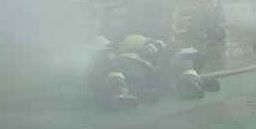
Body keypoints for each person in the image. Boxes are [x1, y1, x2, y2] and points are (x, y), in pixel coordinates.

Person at [87, 34, 220, 108]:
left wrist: (150, 50)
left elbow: (158, 43)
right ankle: (192, 81)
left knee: (178, 51)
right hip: (153, 78)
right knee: (179, 55)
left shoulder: (124, 47)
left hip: (149, 73)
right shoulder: (111, 61)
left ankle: (191, 80)